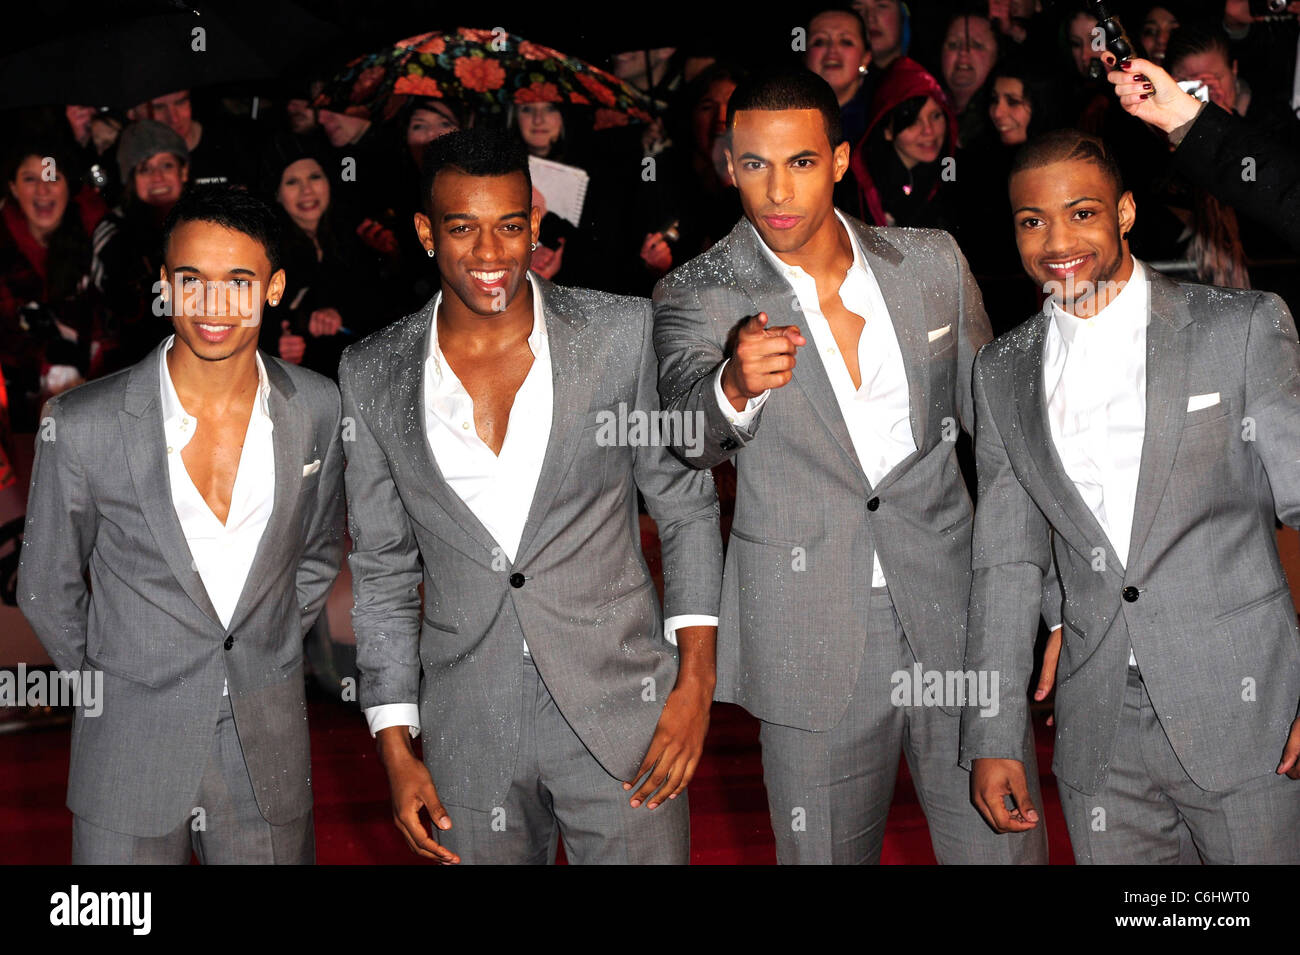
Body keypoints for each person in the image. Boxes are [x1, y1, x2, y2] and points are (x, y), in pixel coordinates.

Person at [653, 66, 1048, 865]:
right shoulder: (697, 291)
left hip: (956, 618)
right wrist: (732, 386)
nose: (775, 191)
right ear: (729, 164)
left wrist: (1057, 598)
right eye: (752, 164)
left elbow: (1006, 446)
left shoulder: (931, 262)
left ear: (837, 159)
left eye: (798, 162)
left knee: (1004, 854)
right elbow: (687, 436)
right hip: (807, 637)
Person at [339, 127, 723, 865]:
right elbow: (384, 569)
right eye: (463, 228)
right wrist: (395, 742)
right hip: (468, 727)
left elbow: (684, 506)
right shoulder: (372, 372)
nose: (490, 254)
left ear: (536, 224)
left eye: (510, 226)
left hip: (624, 713)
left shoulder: (618, 333)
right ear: (425, 232)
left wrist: (695, 681)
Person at [961, 129, 1300, 864]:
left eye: (1081, 212)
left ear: (1124, 211)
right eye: (1031, 220)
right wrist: (991, 732)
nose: (1057, 240)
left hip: (1250, 713)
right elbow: (1004, 565)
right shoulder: (1000, 370)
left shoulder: (1239, 328)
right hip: (1099, 731)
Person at [18, 184, 345, 864]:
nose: (213, 305)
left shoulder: (317, 406)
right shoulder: (83, 423)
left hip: (266, 751)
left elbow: (315, 552)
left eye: (239, 280)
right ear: (166, 285)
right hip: (126, 753)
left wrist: (268, 643)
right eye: (192, 280)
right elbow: (45, 585)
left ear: (274, 286)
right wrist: (119, 684)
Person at [1107, 54, 1300, 252]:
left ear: (1234, 71)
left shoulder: (1274, 122)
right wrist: (1176, 112)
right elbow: (1280, 188)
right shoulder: (1137, 139)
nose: (1202, 87)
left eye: (1212, 78)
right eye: (1190, 81)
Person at [1, 142, 105, 431]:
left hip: (95, 402)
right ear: (12, 187)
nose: (42, 189)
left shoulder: (99, 235)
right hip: (21, 413)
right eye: (30, 179)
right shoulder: (5, 244)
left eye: (52, 177)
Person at [90, 120, 190, 369]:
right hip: (135, 364)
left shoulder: (208, 220)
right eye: (145, 169)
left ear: (183, 172)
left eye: (166, 165)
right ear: (130, 179)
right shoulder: (113, 232)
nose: (158, 177)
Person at [851, 58, 958, 229]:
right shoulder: (857, 187)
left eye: (936, 116)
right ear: (887, 130)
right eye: (914, 121)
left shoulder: (958, 177)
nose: (928, 130)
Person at [939, 13, 1000, 150]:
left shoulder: (1001, 121)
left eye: (977, 45)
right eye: (953, 45)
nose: (963, 52)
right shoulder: (927, 108)